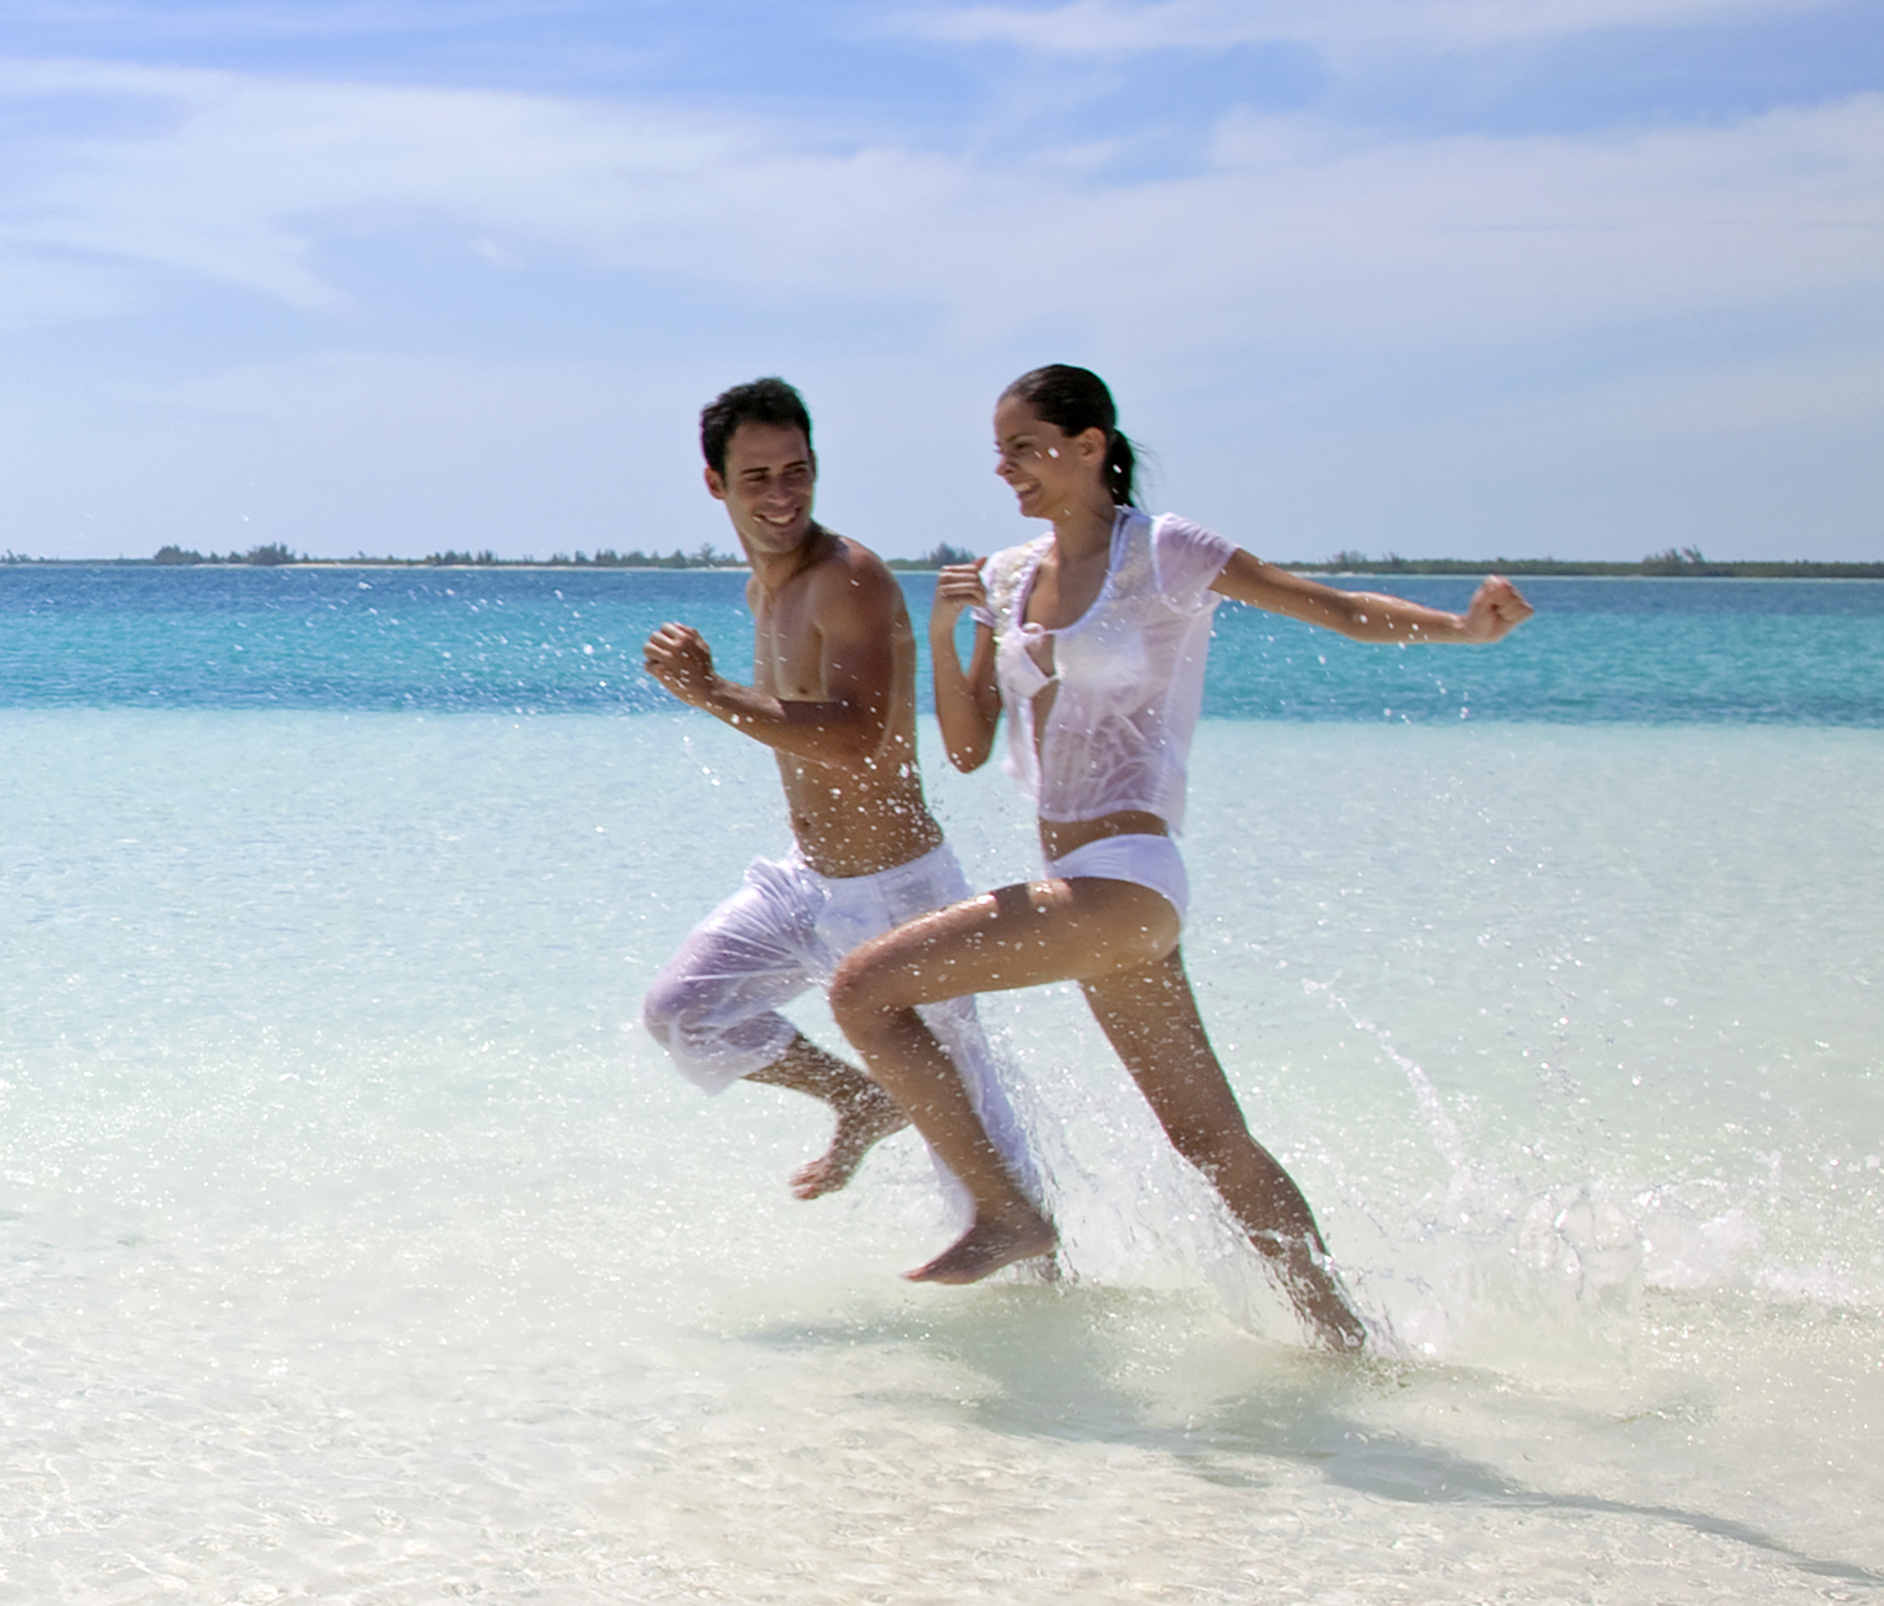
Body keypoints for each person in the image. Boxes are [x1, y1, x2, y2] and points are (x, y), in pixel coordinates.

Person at [825, 364, 1535, 1349]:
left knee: (863, 991)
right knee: (1209, 1139)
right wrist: (949, 633)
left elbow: (1327, 607)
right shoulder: (1007, 576)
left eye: (1024, 447)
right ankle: (1346, 1344)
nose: (1005, 468)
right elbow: (966, 746)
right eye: (999, 452)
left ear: (1088, 446)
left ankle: (1005, 1213)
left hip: (1127, 875)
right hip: (1086, 894)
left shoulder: (1164, 551)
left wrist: (1460, 630)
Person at [640, 378, 1040, 1221]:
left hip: (895, 891)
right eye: (756, 478)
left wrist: (709, 691)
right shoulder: (764, 589)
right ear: (715, 483)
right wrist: (714, 690)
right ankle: (861, 1098)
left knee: (975, 1149)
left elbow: (856, 734)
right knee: (684, 1014)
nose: (781, 495)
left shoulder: (847, 577)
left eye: (796, 472)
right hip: (806, 881)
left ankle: (1041, 1279)